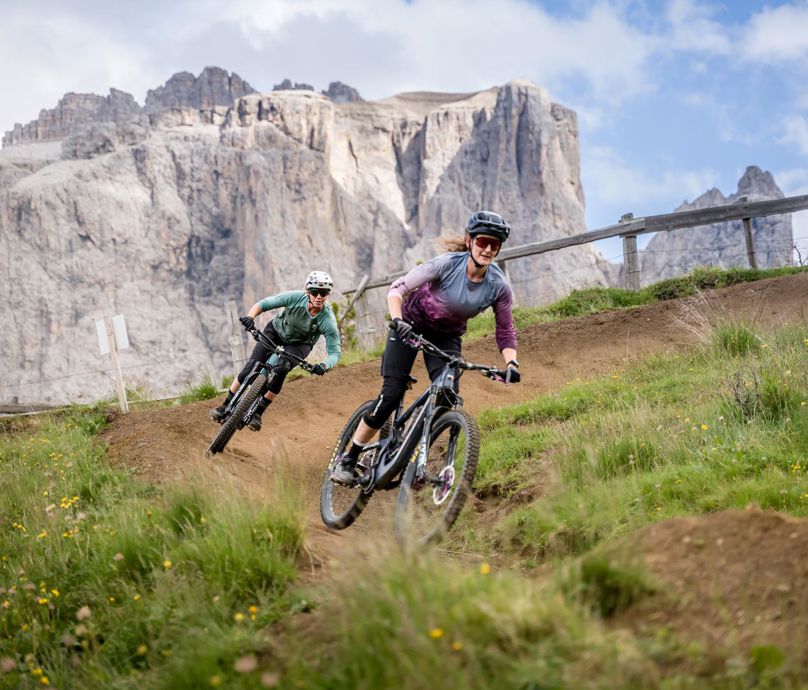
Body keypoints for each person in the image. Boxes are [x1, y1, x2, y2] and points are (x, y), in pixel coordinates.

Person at [331, 210, 521, 485]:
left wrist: (511, 363)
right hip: (409, 325)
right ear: (469, 241)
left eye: (495, 244)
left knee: (447, 395)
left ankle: (413, 460)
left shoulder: (498, 286)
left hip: (446, 338)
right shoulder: (445, 264)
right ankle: (349, 458)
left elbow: (505, 329)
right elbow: (397, 289)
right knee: (392, 395)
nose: (488, 249)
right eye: (483, 242)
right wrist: (397, 321)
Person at [211, 270, 341, 432]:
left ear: (328, 294)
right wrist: (250, 317)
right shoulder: (295, 298)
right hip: (277, 331)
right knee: (250, 369)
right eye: (315, 292)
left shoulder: (327, 320)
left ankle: (258, 413)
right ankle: (224, 405)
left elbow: (335, 353)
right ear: (308, 292)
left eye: (324, 293)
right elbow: (264, 304)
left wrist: (324, 365)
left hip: (300, 344)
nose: (319, 296)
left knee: (281, 370)